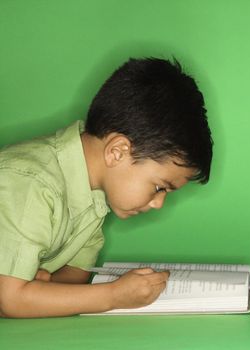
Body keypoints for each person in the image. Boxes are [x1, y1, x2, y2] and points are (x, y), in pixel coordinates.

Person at [0, 57, 213, 317]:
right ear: (118, 152)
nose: (158, 204)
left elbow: (75, 277)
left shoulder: (95, 197)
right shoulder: (31, 182)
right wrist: (114, 296)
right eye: (160, 187)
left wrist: (39, 290)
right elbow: (10, 300)